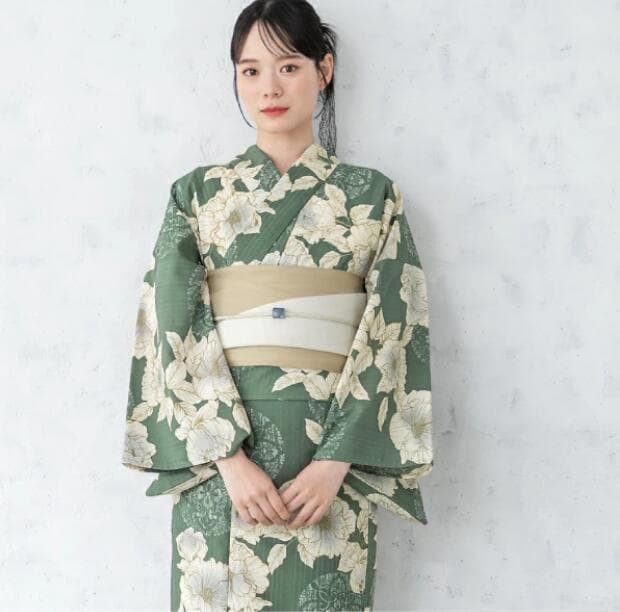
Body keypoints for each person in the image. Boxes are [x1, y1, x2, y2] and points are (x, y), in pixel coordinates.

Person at [121, 0, 434, 609]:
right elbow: (170, 323)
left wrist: (335, 463)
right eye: (251, 70)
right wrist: (228, 458)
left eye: (289, 67)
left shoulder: (372, 196)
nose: (269, 87)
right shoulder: (198, 194)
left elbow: (396, 328)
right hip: (222, 470)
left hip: (331, 469)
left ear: (324, 70)